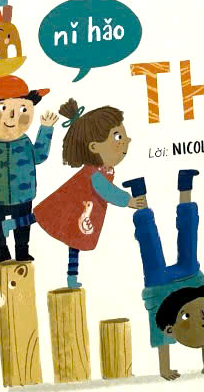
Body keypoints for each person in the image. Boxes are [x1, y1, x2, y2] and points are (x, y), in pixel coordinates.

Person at [32, 98, 146, 288]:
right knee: (45, 219)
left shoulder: (103, 170)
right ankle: (12, 224)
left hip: (83, 210)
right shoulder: (96, 173)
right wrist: (128, 201)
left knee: (74, 243)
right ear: (94, 147)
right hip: (76, 207)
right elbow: (107, 191)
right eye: (118, 136)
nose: (127, 140)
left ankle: (71, 279)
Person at [125, 168, 204, 380]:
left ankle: (141, 191)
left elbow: (203, 325)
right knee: (170, 238)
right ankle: (183, 186)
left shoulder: (173, 310)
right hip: (181, 280)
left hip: (169, 282)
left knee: (151, 240)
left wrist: (166, 369)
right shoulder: (183, 306)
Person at [0, 75, 57, 263]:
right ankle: (1, 252)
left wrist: (46, 129)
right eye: (3, 108)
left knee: (23, 225)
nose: (13, 116)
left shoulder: (24, 142)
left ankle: (22, 251)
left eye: (23, 109)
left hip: (22, 194)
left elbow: (39, 156)